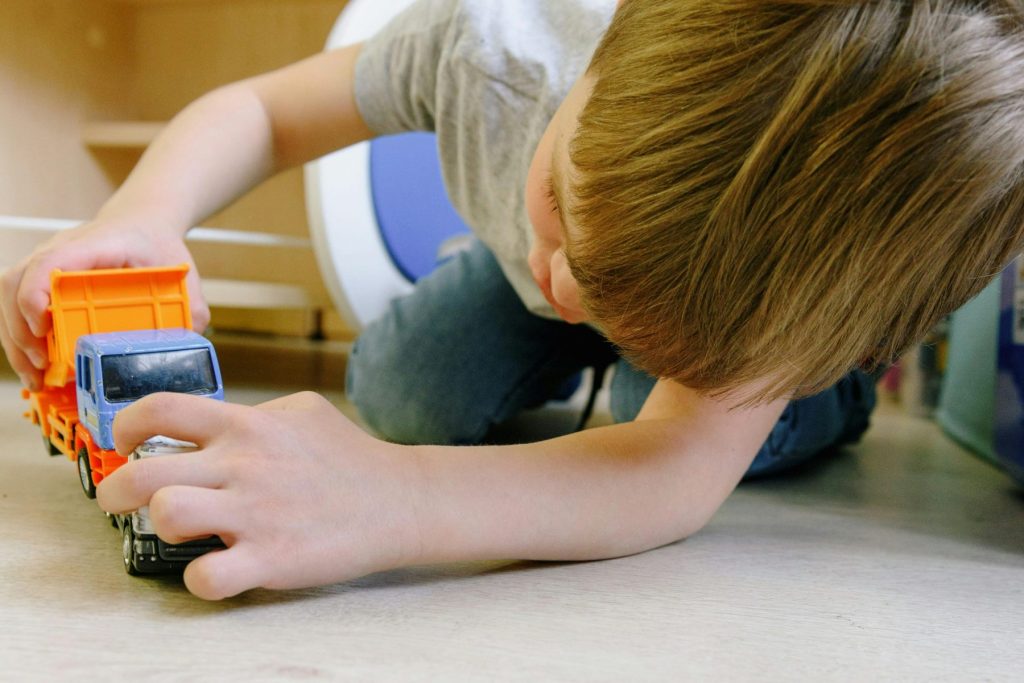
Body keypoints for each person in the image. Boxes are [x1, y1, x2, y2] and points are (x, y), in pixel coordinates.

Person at [3, 0, 1023, 600]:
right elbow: (263, 111)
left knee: (646, 418)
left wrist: (396, 499)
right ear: (597, 62)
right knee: (401, 390)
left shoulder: (780, 278)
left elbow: (665, 478)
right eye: (565, 212)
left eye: (619, 298)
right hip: (524, 273)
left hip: (722, 348)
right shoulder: (490, 46)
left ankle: (814, 403)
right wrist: (143, 214)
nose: (568, 283)